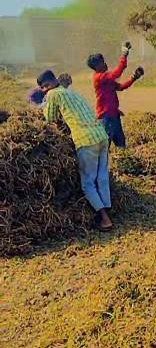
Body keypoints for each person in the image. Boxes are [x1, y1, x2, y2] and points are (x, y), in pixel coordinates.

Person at [37, 69, 113, 232]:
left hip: (85, 140)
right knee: (102, 177)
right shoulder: (71, 92)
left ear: (47, 85)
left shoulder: (52, 94)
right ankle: (109, 209)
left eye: (43, 88)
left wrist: (44, 107)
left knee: (88, 183)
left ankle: (105, 220)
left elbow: (50, 119)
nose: (43, 91)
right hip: (101, 135)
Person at [87, 42, 144, 148]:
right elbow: (117, 73)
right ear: (96, 66)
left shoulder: (106, 79)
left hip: (114, 115)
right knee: (105, 146)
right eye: (102, 62)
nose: (105, 64)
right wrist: (124, 54)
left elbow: (121, 87)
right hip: (106, 117)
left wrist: (134, 77)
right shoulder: (99, 78)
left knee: (121, 145)